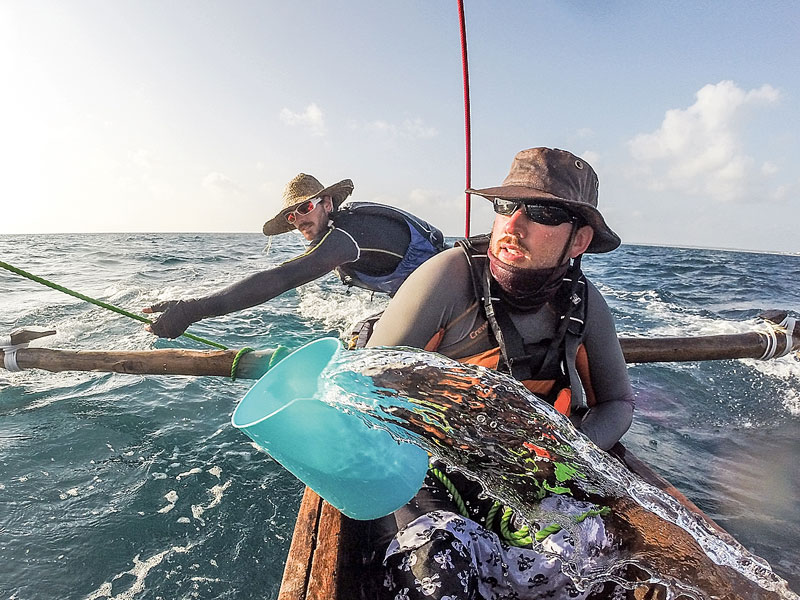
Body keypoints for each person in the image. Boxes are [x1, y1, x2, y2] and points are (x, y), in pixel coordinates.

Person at [365, 147, 635, 600]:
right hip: (427, 468)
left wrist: (567, 455)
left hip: (534, 472)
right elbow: (365, 389)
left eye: (543, 213)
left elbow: (617, 403)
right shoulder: (447, 278)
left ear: (580, 241)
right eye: (505, 205)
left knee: (596, 564)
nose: (513, 224)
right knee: (435, 573)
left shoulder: (584, 305)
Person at [143, 173, 446, 339]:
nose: (299, 219)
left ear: (327, 203)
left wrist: (192, 310)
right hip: (422, 295)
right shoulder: (335, 236)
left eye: (305, 208)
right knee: (360, 337)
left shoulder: (346, 236)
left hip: (446, 290)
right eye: (291, 216)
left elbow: (283, 277)